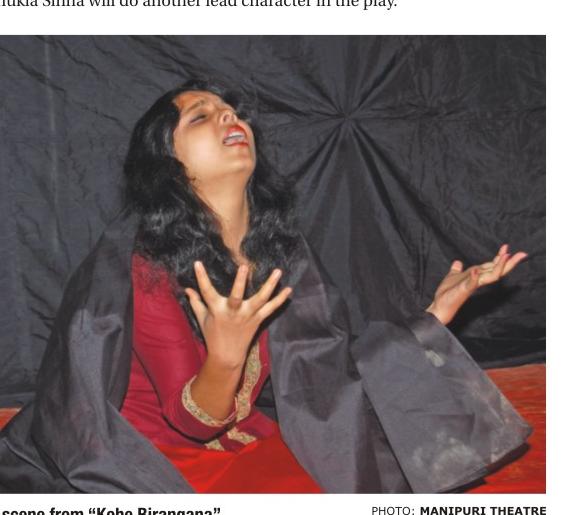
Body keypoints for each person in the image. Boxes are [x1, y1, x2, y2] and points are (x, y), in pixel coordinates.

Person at [0, 77, 531, 493]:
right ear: (168, 163)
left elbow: (330, 367)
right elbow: (192, 423)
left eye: (230, 111)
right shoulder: (146, 267)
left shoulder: (279, 249)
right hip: (157, 462)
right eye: (200, 116)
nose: (229, 116)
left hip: (247, 434)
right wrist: (227, 355)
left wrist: (433, 316)